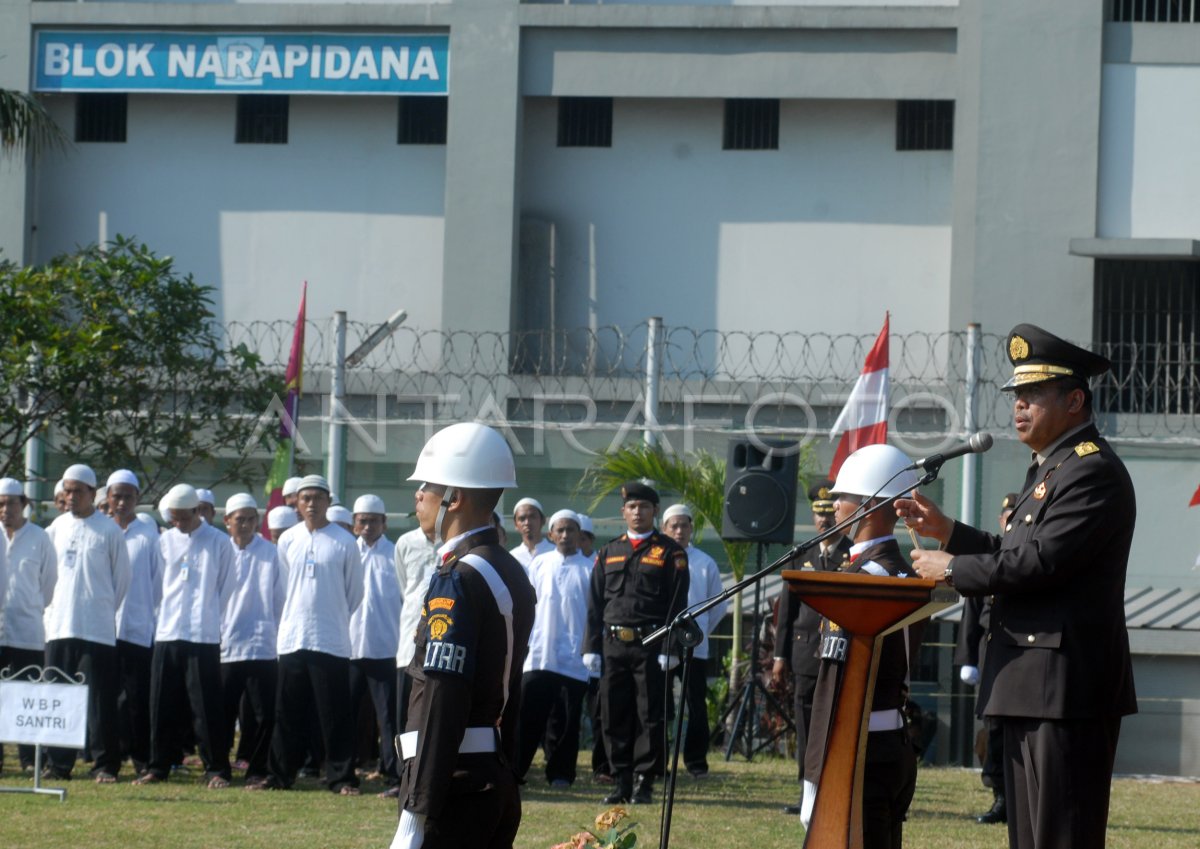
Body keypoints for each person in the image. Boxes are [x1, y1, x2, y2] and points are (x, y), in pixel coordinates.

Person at [900, 323, 1137, 849]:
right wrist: (950, 533)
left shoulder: (1090, 471)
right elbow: (1015, 553)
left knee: (1061, 835)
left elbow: (1043, 562)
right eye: (1017, 396)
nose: (1019, 407)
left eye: (1033, 395)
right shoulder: (1048, 470)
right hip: (1029, 680)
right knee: (1030, 837)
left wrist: (950, 570)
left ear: (1075, 400)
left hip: (1065, 687)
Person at [389, 422, 536, 849]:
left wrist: (417, 809)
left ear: (455, 497)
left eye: (427, 486)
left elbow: (442, 695)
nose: (418, 495)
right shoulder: (509, 569)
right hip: (492, 775)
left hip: (454, 787)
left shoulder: (459, 577)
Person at [802, 445, 924, 849]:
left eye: (843, 497)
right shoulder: (903, 570)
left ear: (869, 507)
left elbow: (835, 684)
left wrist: (815, 773)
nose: (834, 506)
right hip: (894, 744)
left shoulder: (865, 579)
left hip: (859, 751)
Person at [251, 474, 364, 795]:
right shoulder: (288, 540)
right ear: (297, 504)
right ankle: (279, 775)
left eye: (318, 498)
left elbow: (354, 594)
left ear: (329, 501)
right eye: (306, 498)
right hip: (293, 637)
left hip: (331, 638)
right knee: (286, 711)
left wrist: (332, 616)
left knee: (335, 714)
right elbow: (286, 588)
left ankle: (341, 778)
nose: (312, 504)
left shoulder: (345, 542)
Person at [583, 481, 689, 805]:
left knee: (650, 714)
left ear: (654, 511)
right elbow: (594, 604)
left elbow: (677, 604)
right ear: (623, 512)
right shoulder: (609, 551)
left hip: (651, 645)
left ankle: (645, 781)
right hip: (614, 646)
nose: (637, 512)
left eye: (643, 507)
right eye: (631, 507)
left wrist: (671, 648)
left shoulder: (671, 552)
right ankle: (620, 780)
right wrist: (591, 647)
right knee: (613, 713)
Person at [134, 484, 234, 788]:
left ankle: (216, 769)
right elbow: (155, 586)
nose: (178, 523)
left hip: (203, 635)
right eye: (173, 518)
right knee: (161, 703)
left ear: (197, 511)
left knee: (206, 707)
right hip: (167, 631)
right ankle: (158, 766)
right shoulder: (163, 542)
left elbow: (226, 587)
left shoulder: (219, 542)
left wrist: (210, 618)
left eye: (183, 517)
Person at [43, 463, 132, 782]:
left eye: (77, 491)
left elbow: (121, 580)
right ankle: (59, 765)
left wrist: (101, 608)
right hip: (59, 626)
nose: (70, 497)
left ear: (93, 495)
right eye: (66, 490)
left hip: (97, 628)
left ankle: (105, 764)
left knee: (99, 700)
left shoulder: (109, 531)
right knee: (59, 697)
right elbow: (45, 578)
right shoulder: (55, 528)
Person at [774, 480, 852, 814]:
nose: (824, 521)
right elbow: (786, 612)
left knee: (839, 722)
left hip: (841, 653)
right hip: (805, 653)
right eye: (818, 514)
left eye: (829, 513)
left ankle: (836, 790)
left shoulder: (853, 553)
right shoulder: (800, 556)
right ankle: (807, 793)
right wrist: (779, 657)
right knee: (806, 724)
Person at [954, 492, 1017, 826]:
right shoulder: (989, 553)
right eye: (1005, 515)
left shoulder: (1022, 554)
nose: (1009, 520)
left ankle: (1017, 795)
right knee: (992, 727)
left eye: (1014, 515)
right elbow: (971, 612)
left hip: (1019, 654)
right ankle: (999, 797)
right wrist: (967, 658)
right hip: (989, 652)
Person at [517, 509, 592, 787]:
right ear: (551, 534)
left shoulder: (589, 569)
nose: (565, 535)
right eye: (559, 530)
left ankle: (561, 773)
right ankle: (516, 770)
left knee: (566, 719)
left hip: (574, 658)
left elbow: (593, 614)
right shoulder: (539, 563)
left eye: (570, 530)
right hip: (539, 654)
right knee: (527, 715)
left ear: (579, 534)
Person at [219, 493, 286, 784]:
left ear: (257, 521)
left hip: (262, 645)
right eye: (239, 519)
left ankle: (256, 770)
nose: (245, 524)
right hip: (225, 645)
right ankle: (219, 769)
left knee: (263, 715)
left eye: (250, 519)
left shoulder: (271, 553)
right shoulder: (220, 550)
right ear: (227, 522)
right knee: (221, 714)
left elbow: (280, 599)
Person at [661, 503, 728, 779]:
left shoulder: (704, 562)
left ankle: (696, 762)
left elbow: (718, 606)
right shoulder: (657, 558)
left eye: (684, 525)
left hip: (694, 650)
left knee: (696, 706)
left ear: (691, 528)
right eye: (673, 525)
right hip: (662, 648)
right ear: (664, 528)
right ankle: (658, 761)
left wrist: (699, 634)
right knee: (661, 706)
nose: (679, 530)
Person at [108, 469, 164, 778]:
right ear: (108, 497)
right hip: (105, 628)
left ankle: (142, 759)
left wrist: (147, 613)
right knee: (110, 699)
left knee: (138, 699)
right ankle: (111, 761)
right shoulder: (103, 530)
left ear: (137, 499)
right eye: (116, 495)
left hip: (139, 627)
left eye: (128, 496)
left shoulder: (149, 533)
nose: (122, 501)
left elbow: (158, 581)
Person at [0, 477, 57, 774]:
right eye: (0, 504)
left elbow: (48, 585)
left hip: (27, 632)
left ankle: (28, 760)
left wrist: (31, 606)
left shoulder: (40, 537)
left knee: (26, 698)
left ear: (24, 504)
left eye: (10, 502)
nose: (5, 509)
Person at [386, 493, 439, 800]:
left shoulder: (452, 544)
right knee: (404, 718)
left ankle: (427, 776)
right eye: (418, 502)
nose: (422, 508)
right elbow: (402, 587)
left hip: (438, 648)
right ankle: (402, 776)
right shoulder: (405, 543)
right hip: (409, 645)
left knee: (431, 717)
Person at [348, 494, 402, 792]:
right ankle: (345, 771)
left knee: (388, 720)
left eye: (373, 521)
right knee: (346, 715)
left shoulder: (394, 555)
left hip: (385, 649)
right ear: (355, 523)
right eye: (362, 521)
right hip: (349, 647)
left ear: (384, 522)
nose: (367, 526)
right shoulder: (346, 552)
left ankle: (394, 774)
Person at [509, 497, 553, 574]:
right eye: (522, 519)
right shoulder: (512, 557)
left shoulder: (555, 552)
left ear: (543, 520)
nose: (527, 523)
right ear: (515, 524)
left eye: (532, 517)